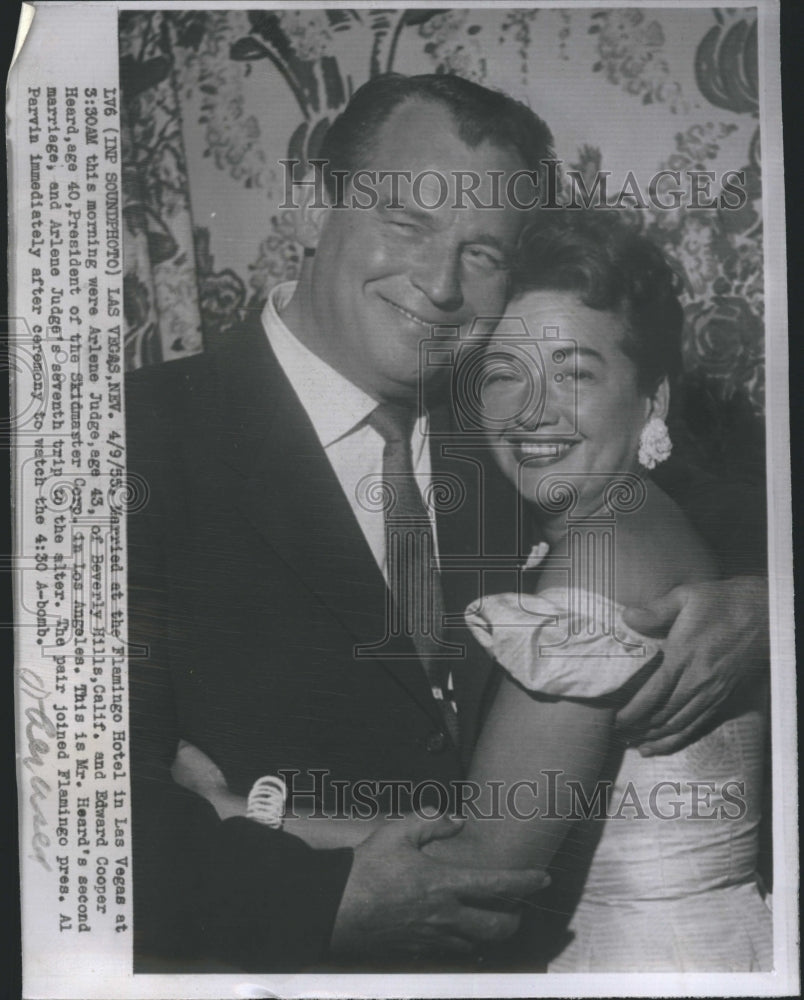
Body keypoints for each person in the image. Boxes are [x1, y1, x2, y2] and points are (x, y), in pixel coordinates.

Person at [126, 73, 770, 972]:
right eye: (407, 223)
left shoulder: (522, 432)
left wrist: (768, 606)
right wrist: (300, 888)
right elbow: (68, 815)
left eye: (483, 253)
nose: (437, 284)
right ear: (315, 206)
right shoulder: (129, 444)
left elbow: (688, 530)